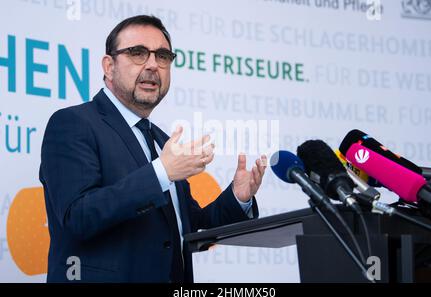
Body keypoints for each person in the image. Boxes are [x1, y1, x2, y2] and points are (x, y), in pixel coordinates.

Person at [39, 15, 266, 283]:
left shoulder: (160, 139)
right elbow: (79, 216)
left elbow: (185, 225)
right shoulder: (73, 124)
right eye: (137, 53)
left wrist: (238, 199)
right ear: (109, 66)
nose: (152, 65)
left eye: (162, 56)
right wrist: (161, 172)